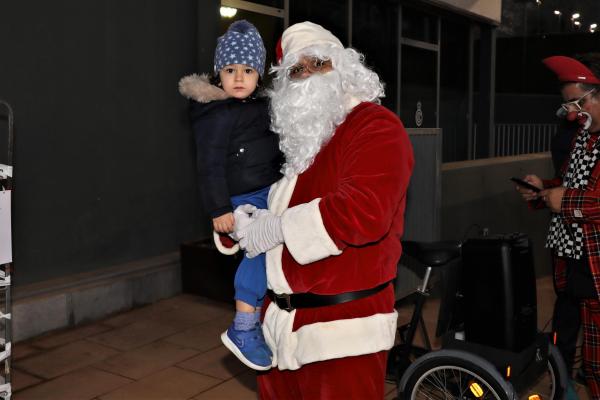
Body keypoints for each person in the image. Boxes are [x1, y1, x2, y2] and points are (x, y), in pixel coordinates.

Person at [231, 21, 414, 399]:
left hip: (342, 336)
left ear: (344, 67)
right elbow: (274, 212)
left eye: (319, 63)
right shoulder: (304, 143)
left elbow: (364, 212)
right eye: (297, 70)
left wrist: (277, 228)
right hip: (280, 332)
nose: (308, 75)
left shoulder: (375, 126)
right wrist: (242, 223)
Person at [178, 20, 282, 371]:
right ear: (218, 74)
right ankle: (243, 326)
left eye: (248, 69)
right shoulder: (216, 113)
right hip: (240, 199)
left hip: (269, 191)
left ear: (259, 75)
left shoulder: (260, 107)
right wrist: (219, 209)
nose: (239, 77)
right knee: (258, 250)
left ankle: (266, 314)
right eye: (230, 69)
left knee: (276, 251)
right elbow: (208, 166)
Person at [516, 53, 600, 398]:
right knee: (581, 350)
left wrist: (561, 198)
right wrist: (542, 190)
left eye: (576, 103)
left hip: (596, 265)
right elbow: (571, 184)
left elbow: (591, 200)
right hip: (576, 260)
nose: (570, 113)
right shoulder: (583, 137)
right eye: (566, 104)